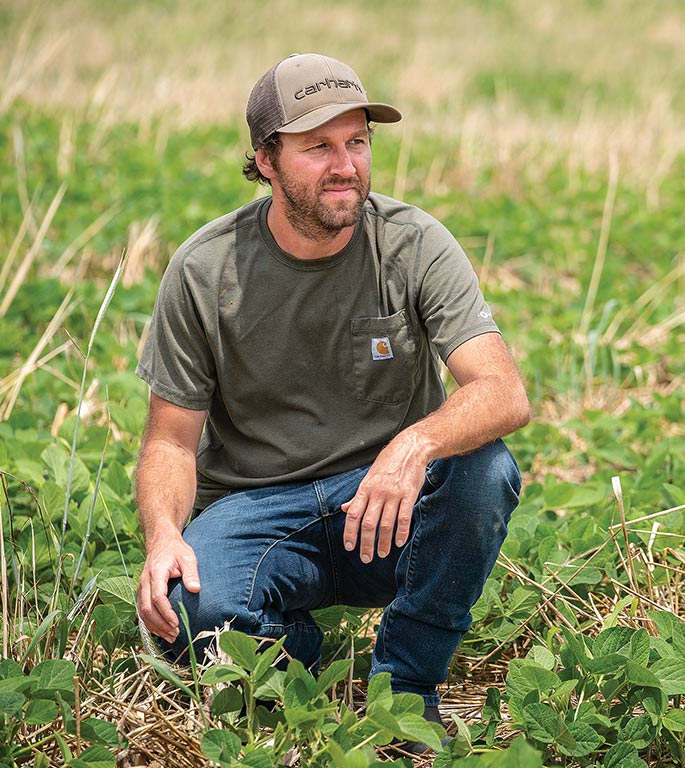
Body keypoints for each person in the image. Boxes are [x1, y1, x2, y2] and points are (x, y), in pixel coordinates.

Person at [133, 53, 530, 746]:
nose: (345, 163)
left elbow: (503, 391)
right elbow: (170, 442)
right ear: (265, 159)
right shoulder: (205, 269)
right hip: (257, 508)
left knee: (484, 468)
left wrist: (414, 444)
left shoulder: (413, 243)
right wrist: (163, 536)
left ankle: (406, 689)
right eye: (317, 146)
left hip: (384, 502)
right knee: (188, 618)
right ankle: (300, 660)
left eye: (357, 141)